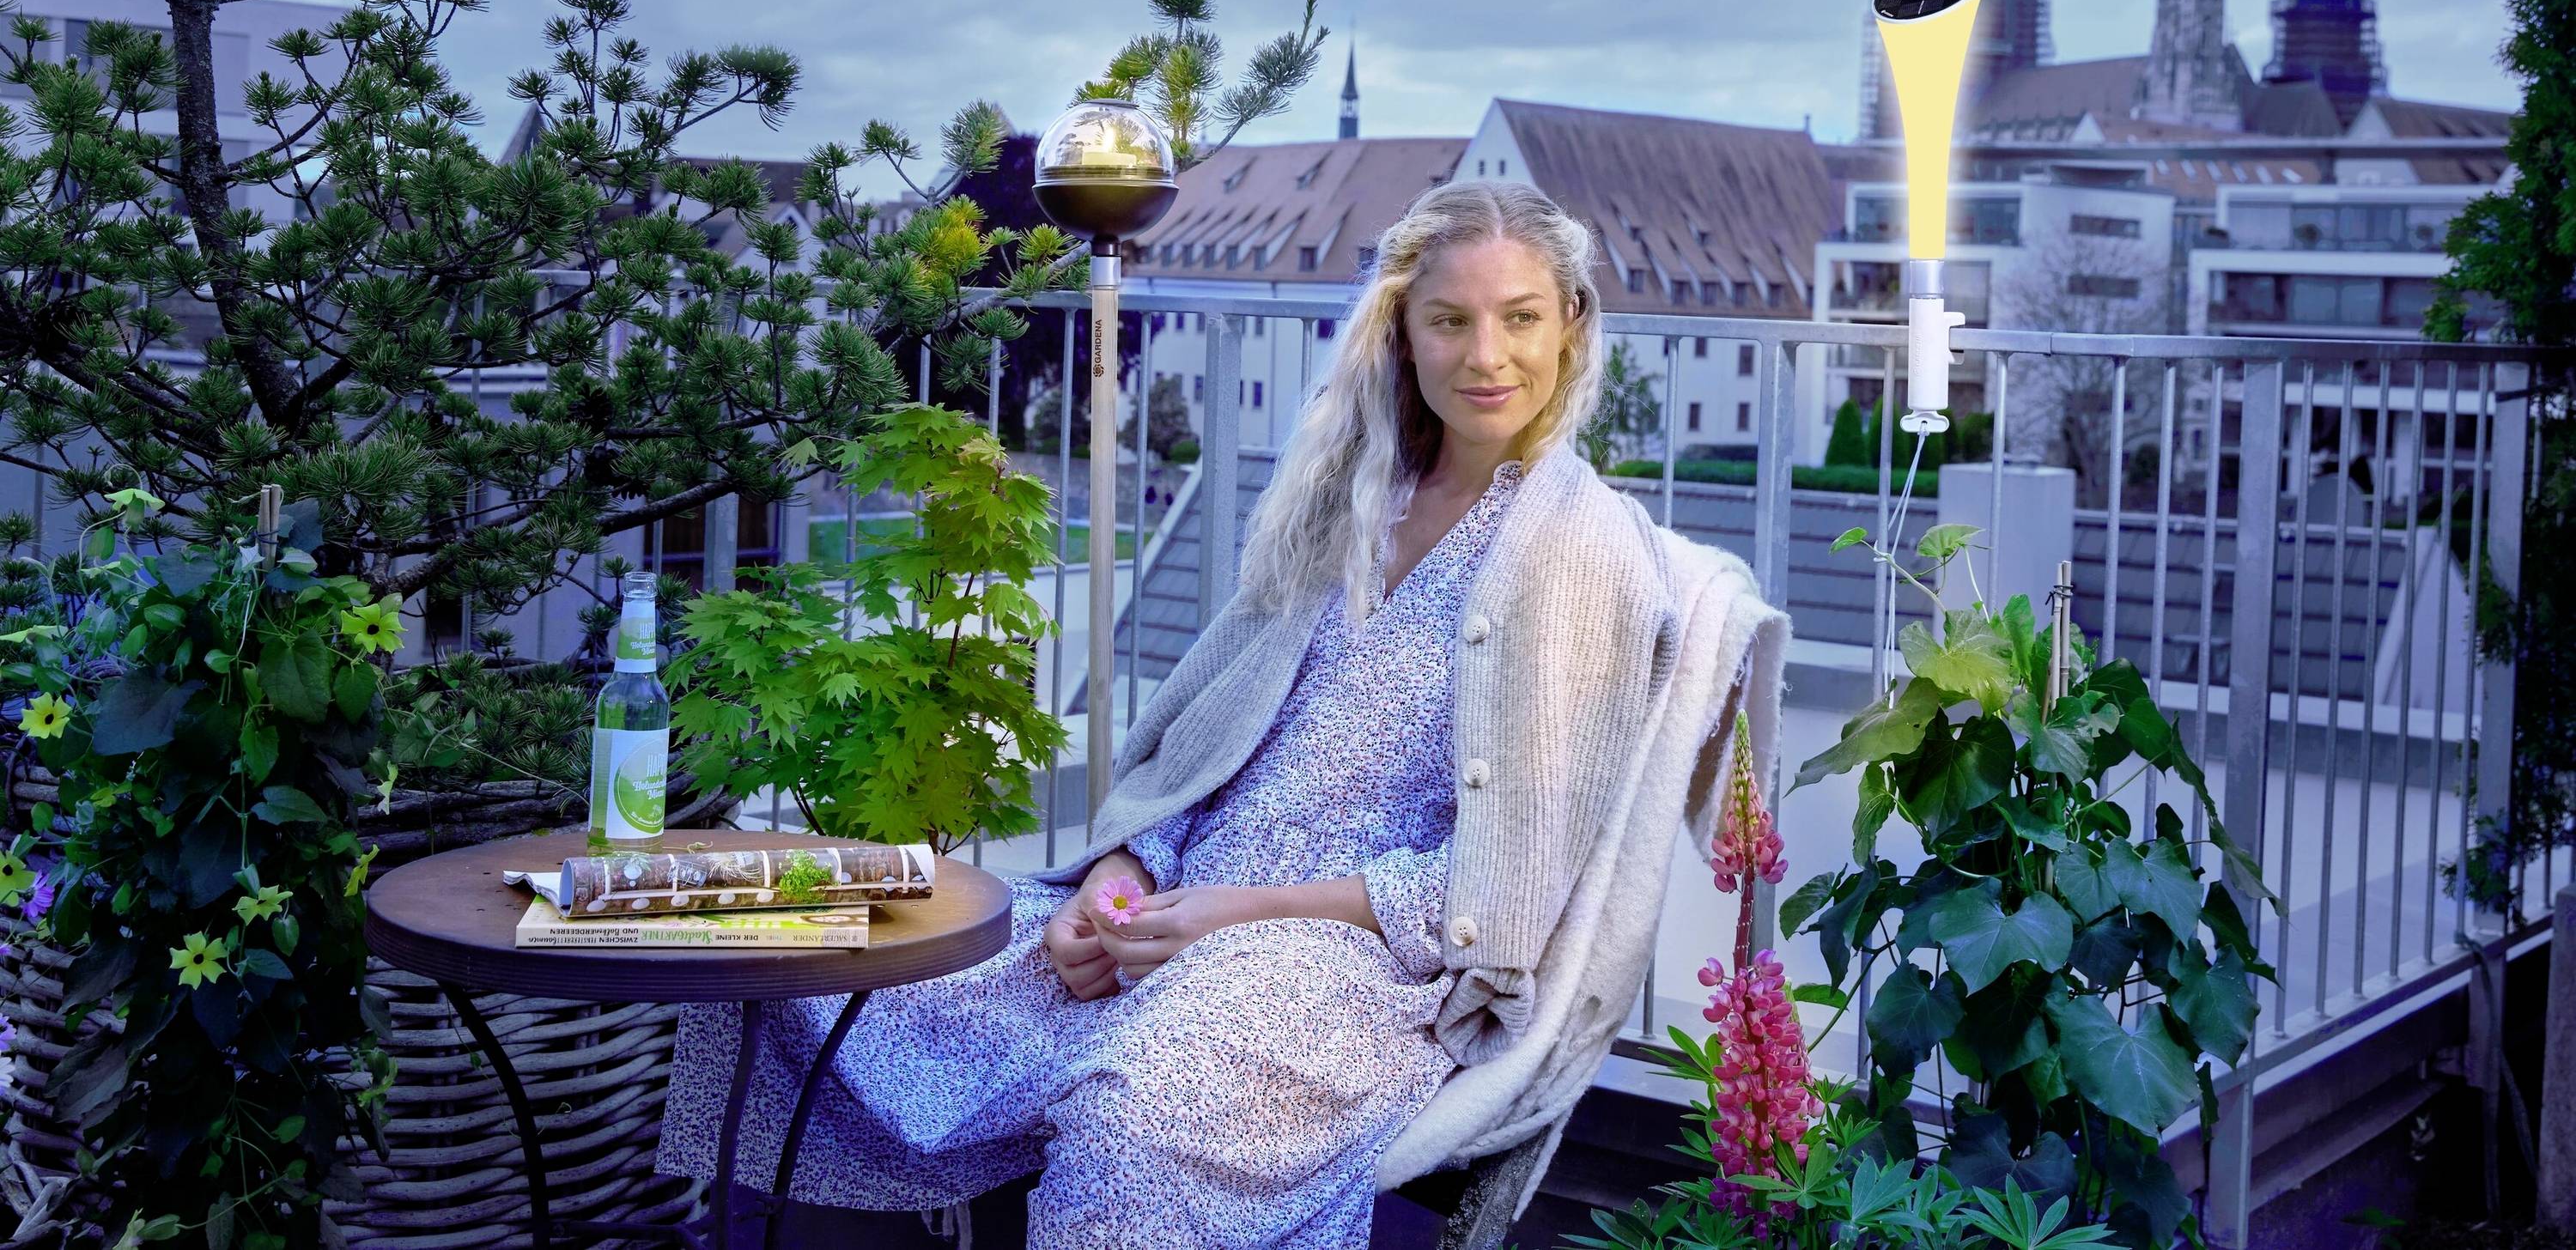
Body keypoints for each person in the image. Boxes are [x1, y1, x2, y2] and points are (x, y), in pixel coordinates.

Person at [656, 179, 1771, 1248]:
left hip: (1348, 972)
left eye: (1520, 317)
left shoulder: (1579, 556)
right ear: (1400, 331)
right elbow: (1199, 747)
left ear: (1572, 324)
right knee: (831, 959)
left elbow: (1500, 900)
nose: (1486, 355)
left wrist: (1234, 917)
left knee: (1136, 1114)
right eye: (1450, 320)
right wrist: (1120, 876)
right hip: (1176, 911)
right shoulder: (1350, 502)